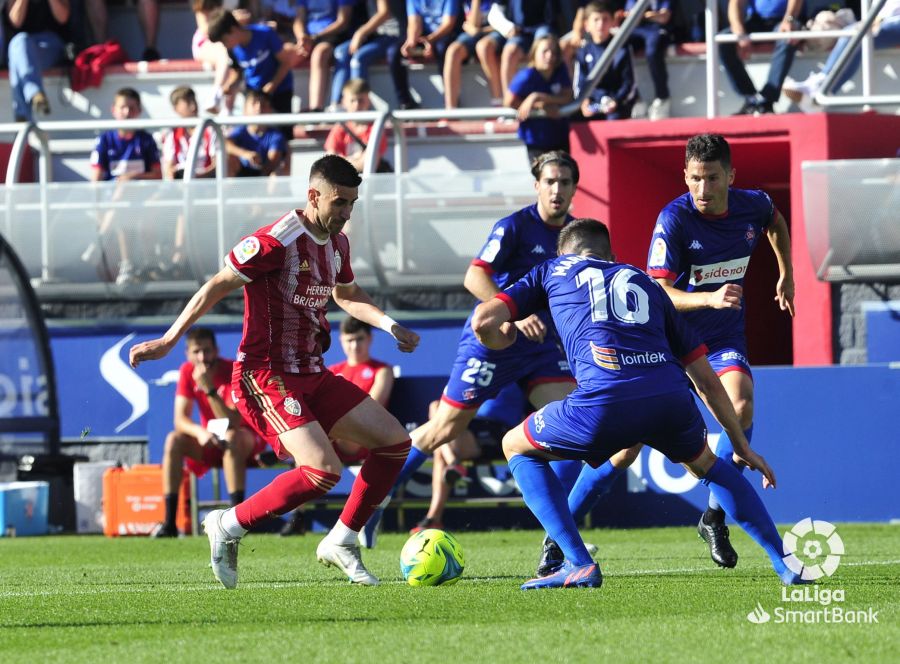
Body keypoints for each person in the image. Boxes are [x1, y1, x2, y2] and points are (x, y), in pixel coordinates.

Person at [129, 154, 420, 589]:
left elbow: (347, 293)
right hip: (265, 374)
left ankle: (342, 538)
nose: (345, 213)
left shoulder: (337, 243)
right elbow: (216, 285)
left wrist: (389, 324)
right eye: (339, 202)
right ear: (313, 195)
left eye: (352, 204)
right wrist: (170, 341)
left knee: (396, 443)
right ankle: (228, 524)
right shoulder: (276, 240)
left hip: (312, 372)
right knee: (323, 471)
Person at [471, 217, 808, 589]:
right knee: (709, 465)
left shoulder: (552, 269)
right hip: (669, 398)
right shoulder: (645, 282)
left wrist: (503, 338)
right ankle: (786, 562)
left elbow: (484, 320)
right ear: (610, 255)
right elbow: (707, 380)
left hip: (604, 400)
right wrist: (742, 446)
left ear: (564, 253)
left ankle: (577, 561)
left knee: (514, 446)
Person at [565, 133, 794, 572]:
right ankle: (559, 537)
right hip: (666, 340)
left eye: (711, 178)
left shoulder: (753, 204)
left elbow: (774, 220)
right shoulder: (674, 219)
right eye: (693, 179)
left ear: (731, 175)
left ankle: (713, 515)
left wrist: (787, 273)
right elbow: (658, 290)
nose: (702, 190)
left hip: (722, 339)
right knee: (625, 448)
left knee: (740, 403)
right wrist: (708, 299)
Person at [360, 150, 582, 549]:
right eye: (550, 182)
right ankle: (373, 500)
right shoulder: (515, 227)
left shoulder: (575, 236)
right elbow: (474, 275)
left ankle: (559, 536)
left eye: (565, 183)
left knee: (575, 424)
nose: (557, 190)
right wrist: (510, 316)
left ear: (573, 188)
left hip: (541, 347)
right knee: (446, 428)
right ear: (537, 186)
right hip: (495, 340)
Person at [280, 315, 395, 535]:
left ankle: (285, 454)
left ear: (369, 339)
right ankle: (298, 517)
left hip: (363, 437)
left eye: (359, 339)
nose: (354, 346)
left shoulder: (382, 370)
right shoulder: (331, 371)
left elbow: (373, 406)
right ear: (341, 341)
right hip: (332, 435)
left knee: (315, 437)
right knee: (306, 438)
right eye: (349, 340)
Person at [152, 327, 268, 538]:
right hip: (213, 439)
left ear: (216, 350)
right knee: (173, 440)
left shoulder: (232, 370)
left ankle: (237, 522)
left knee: (232, 438)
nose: (202, 357)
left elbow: (233, 422)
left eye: (207, 351)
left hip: (247, 438)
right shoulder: (187, 371)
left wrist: (209, 389)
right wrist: (200, 433)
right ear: (188, 354)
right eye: (196, 352)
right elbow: (180, 419)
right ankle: (169, 523)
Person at [410, 383, 524, 533]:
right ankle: (452, 463)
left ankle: (434, 517)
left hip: (500, 431)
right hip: (473, 424)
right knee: (436, 408)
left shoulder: (522, 368)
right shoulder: (483, 367)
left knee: (440, 447)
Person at [84, 87, 162, 285]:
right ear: (114, 110)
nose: (127, 112)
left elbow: (157, 175)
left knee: (124, 196)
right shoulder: (105, 140)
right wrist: (98, 206)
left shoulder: (145, 140)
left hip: (141, 198)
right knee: (121, 208)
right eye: (123, 107)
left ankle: (101, 242)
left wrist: (132, 177)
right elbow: (95, 180)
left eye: (131, 108)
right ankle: (126, 265)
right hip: (114, 203)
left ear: (138, 110)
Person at [782, 0, 900, 103]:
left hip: (892, 21)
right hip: (883, 20)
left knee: (855, 34)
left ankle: (820, 89)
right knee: (854, 34)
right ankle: (820, 92)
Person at [718, 0, 805, 115]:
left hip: (788, 20)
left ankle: (767, 100)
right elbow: (735, 3)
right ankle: (751, 98)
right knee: (724, 41)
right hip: (756, 21)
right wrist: (739, 31)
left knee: (787, 37)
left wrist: (789, 20)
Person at [208, 9, 297, 117]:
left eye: (224, 40)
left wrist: (269, 88)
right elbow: (238, 71)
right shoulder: (231, 49)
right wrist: (229, 85)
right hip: (253, 94)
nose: (224, 45)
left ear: (233, 29)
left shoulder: (265, 34)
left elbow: (286, 62)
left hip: (280, 91)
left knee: (284, 132)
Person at [505, 33, 573, 162]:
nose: (550, 56)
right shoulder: (526, 76)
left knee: (563, 174)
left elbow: (568, 96)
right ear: (534, 54)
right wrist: (538, 106)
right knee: (544, 177)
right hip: (536, 139)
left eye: (553, 52)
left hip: (559, 135)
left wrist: (538, 97)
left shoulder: (560, 71)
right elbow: (509, 102)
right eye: (545, 51)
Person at [330, 0, 409, 109]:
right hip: (376, 35)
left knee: (358, 59)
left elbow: (384, 13)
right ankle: (337, 104)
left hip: (394, 35)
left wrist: (361, 33)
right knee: (341, 52)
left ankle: (359, 106)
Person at [3, 0, 70, 122]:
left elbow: (63, 17)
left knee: (17, 55)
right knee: (19, 43)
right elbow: (15, 21)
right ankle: (35, 94)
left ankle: (22, 114)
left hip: (50, 44)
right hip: (21, 47)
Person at [574, 0, 639, 121]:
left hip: (617, 105)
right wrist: (584, 101)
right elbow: (580, 83)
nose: (601, 24)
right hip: (593, 104)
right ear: (587, 25)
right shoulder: (583, 51)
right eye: (596, 19)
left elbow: (629, 83)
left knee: (614, 119)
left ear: (613, 22)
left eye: (605, 19)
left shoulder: (622, 48)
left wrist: (616, 101)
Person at [293, 0, 356, 112]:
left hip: (333, 36)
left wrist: (315, 37)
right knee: (287, 53)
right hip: (309, 38)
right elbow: (299, 20)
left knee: (319, 54)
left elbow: (343, 21)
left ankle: (316, 108)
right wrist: (301, 37)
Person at [443, 1, 506, 108]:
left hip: (499, 31)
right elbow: (473, 25)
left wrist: (479, 30)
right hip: (475, 32)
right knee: (453, 51)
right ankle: (450, 110)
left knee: (484, 47)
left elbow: (506, 22)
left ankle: (497, 103)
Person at [192, 0, 248, 115]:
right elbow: (205, 30)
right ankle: (215, 94)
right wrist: (232, 20)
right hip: (205, 43)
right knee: (224, 52)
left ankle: (228, 109)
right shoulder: (203, 4)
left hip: (230, 41)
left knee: (234, 62)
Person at [324, 78, 389, 173]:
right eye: (352, 100)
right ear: (344, 102)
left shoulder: (376, 130)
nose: (357, 105)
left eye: (360, 100)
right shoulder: (340, 128)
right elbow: (329, 162)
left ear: (369, 101)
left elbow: (366, 165)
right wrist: (356, 158)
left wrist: (342, 161)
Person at [487, 0, 554, 92]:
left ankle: (545, 95)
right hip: (519, 31)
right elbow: (495, 12)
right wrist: (507, 27)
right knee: (509, 53)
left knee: (544, 50)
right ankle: (510, 99)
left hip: (544, 26)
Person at [622, 0, 672, 120]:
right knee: (621, 48)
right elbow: (630, 16)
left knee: (652, 52)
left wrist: (641, 15)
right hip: (637, 30)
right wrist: (651, 15)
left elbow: (663, 18)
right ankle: (635, 98)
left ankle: (662, 97)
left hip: (658, 30)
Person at [225, 89, 289, 177]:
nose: (258, 108)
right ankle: (230, 190)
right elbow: (226, 144)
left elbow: (271, 164)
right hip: (240, 176)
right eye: (254, 103)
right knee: (228, 159)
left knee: (277, 175)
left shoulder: (276, 136)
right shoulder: (240, 130)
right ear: (245, 110)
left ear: (270, 110)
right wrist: (245, 154)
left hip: (264, 179)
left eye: (263, 104)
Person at [402, 0, 462, 89]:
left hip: (446, 34)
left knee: (441, 48)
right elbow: (414, 22)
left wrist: (430, 40)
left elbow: (448, 24)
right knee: (395, 52)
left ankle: (449, 92)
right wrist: (411, 41)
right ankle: (405, 101)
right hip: (425, 36)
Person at [162, 86, 218, 181]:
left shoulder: (210, 130)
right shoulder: (172, 134)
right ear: (176, 109)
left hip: (207, 185)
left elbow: (217, 165)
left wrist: (195, 178)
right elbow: (168, 168)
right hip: (180, 187)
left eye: (194, 100)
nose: (193, 106)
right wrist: (176, 175)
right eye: (188, 102)